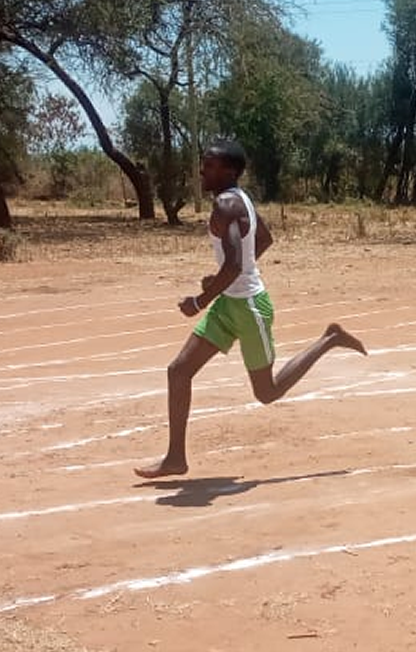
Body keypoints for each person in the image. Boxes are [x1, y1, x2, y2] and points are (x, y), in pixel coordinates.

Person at [137, 140, 367, 478]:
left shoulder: (226, 204)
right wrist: (223, 280)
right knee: (179, 371)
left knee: (267, 392)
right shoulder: (239, 198)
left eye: (210, 165)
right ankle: (175, 459)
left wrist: (200, 301)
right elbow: (263, 241)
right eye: (204, 164)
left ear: (230, 170)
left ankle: (329, 339)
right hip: (230, 303)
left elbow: (233, 266)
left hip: (249, 308)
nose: (202, 170)